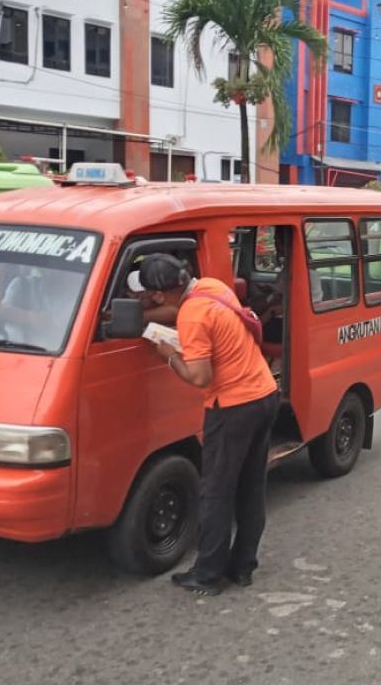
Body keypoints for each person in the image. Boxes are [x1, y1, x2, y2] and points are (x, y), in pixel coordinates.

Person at [139, 254, 279, 596]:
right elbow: (176, 310)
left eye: (146, 296)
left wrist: (167, 355)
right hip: (265, 394)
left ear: (157, 294)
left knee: (215, 491)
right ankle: (243, 567)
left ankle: (208, 574)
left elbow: (200, 376)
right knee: (250, 487)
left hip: (232, 407)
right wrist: (139, 317)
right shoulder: (211, 288)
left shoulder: (193, 316)